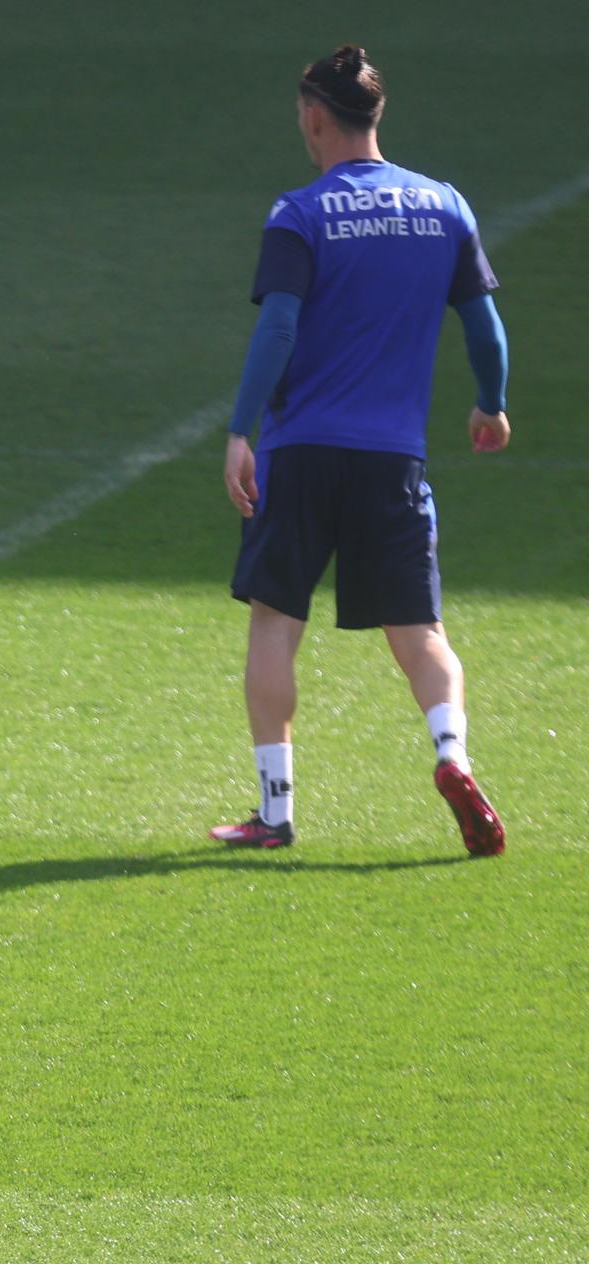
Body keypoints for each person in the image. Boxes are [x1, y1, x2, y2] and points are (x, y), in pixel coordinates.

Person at [212, 44, 509, 856]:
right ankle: (452, 755)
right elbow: (484, 327)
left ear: (315, 118)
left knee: (274, 624)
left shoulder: (300, 213)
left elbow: (278, 325)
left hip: (301, 450)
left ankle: (274, 812)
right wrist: (490, 403)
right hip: (392, 458)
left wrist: (241, 430)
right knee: (420, 631)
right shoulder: (445, 206)